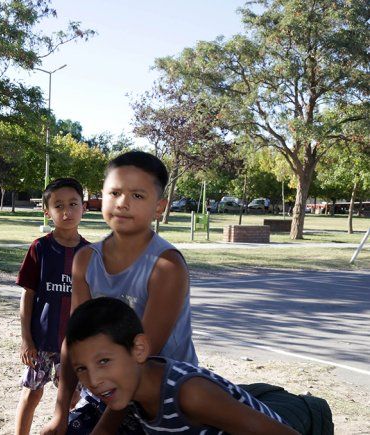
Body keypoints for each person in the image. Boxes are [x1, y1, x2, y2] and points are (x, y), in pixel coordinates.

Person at [43, 151, 197, 435]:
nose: (123, 203)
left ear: (159, 206)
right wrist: (60, 414)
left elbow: (142, 358)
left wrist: (103, 430)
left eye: (138, 196)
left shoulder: (166, 266)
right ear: (101, 196)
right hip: (107, 391)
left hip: (164, 398)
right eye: (115, 192)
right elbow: (75, 339)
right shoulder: (86, 260)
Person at [65, 297, 297, 434]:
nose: (94, 381)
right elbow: (104, 431)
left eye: (104, 361)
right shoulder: (125, 386)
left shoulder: (189, 393)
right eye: (81, 369)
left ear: (139, 350)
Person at [15, 178, 90, 435]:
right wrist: (26, 339)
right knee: (31, 395)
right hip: (42, 343)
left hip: (75, 346)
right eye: (58, 206)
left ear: (84, 207)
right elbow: (27, 295)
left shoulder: (91, 253)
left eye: (73, 204)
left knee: (71, 400)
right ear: (47, 211)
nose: (67, 212)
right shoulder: (40, 248)